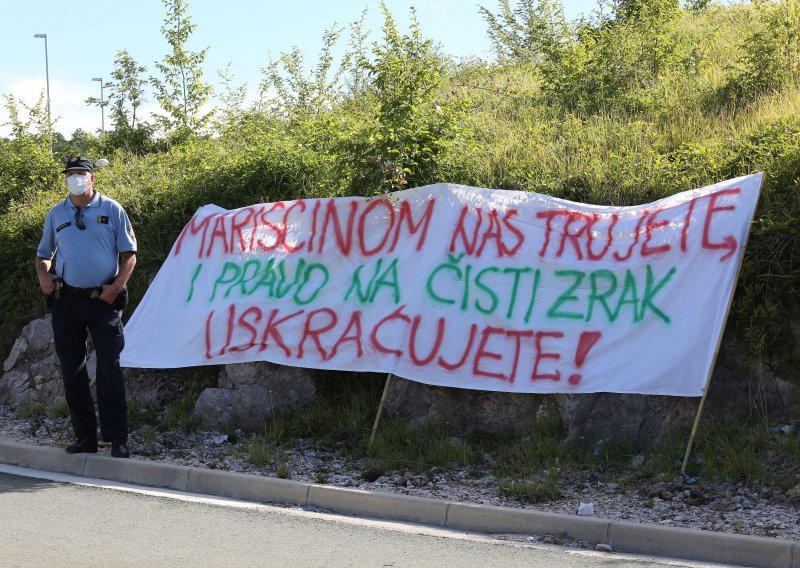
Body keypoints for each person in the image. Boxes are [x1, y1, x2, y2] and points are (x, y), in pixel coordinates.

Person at [35, 156, 137, 458]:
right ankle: (85, 437)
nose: (75, 178)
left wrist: (115, 287)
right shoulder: (57, 213)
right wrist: (43, 275)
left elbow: (129, 255)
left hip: (103, 300)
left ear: (92, 178)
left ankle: (117, 438)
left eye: (81, 173)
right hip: (67, 301)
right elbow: (43, 255)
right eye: (70, 174)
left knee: (110, 368)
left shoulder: (112, 209)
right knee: (72, 370)